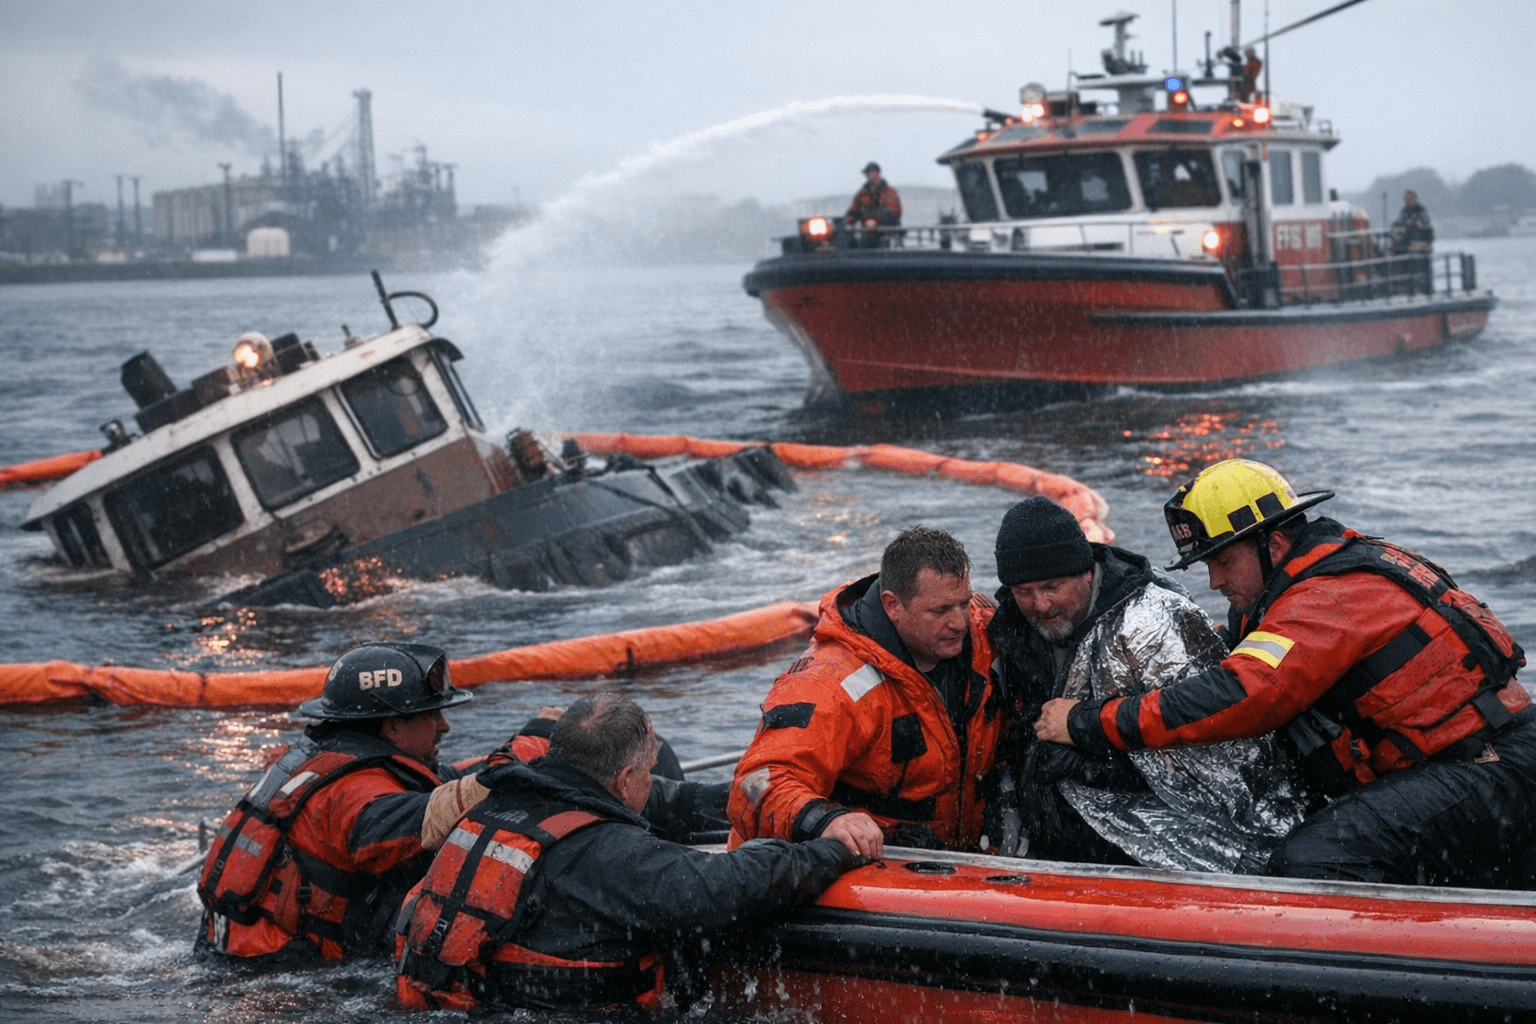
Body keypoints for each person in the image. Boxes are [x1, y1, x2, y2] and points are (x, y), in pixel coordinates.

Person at [1035, 459, 1536, 887]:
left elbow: (1243, 694)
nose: (1214, 580)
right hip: (1476, 760)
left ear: (1273, 544)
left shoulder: (1322, 599)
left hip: (1487, 767)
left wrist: (1089, 723)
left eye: (1223, 561)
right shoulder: (1322, 577)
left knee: (1311, 863)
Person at [395, 692, 859, 1014]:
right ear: (624, 779)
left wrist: (794, 807)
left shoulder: (502, 803)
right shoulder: (606, 853)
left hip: (466, 1004)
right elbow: (722, 889)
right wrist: (831, 849)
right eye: (648, 771)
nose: (652, 780)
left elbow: (668, 800)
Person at [991, 497, 1305, 872]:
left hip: (1151, 848)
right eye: (1024, 592)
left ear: (1087, 572)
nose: (1040, 605)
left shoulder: (1154, 626)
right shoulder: (1009, 630)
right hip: (1057, 837)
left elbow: (1221, 760)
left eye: (1052, 586)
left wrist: (1092, 763)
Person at [195, 642, 540, 964]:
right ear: (392, 726)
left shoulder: (326, 759)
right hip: (286, 973)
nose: (444, 727)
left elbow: (446, 779)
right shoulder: (352, 793)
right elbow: (427, 817)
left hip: (239, 950)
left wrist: (534, 745)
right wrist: (512, 781)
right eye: (432, 715)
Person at [728, 527, 1004, 859]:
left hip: (956, 859)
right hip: (873, 867)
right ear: (892, 605)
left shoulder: (984, 639)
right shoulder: (830, 683)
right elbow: (758, 784)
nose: (960, 622)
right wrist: (824, 822)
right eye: (940, 611)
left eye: (963, 603)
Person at [844, 161, 902, 246]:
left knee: (886, 214)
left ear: (876, 173)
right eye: (866, 173)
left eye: (869, 172)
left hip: (885, 233)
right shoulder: (862, 193)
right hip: (867, 234)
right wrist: (846, 222)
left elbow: (894, 210)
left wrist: (875, 222)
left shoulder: (889, 192)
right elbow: (853, 209)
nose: (867, 175)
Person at [1390, 190, 1435, 293]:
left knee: (1424, 271)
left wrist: (1429, 244)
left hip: (1421, 248)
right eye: (1406, 198)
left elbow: (1428, 229)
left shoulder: (1421, 211)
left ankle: (1426, 291)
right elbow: (1400, 225)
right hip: (1408, 248)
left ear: (1415, 199)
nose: (1408, 200)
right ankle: (1410, 291)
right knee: (1409, 271)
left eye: (1410, 198)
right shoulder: (1404, 212)